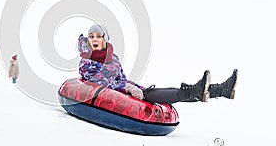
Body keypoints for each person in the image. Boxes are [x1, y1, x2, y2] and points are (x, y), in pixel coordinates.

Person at [78, 24, 238, 104]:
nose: (94, 39)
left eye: (98, 36)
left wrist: (129, 85)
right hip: (110, 96)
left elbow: (121, 78)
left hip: (124, 89)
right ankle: (197, 90)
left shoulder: (113, 58)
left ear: (104, 39)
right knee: (150, 94)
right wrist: (126, 88)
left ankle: (220, 90)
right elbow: (96, 83)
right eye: (91, 36)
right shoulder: (86, 61)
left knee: (163, 91)